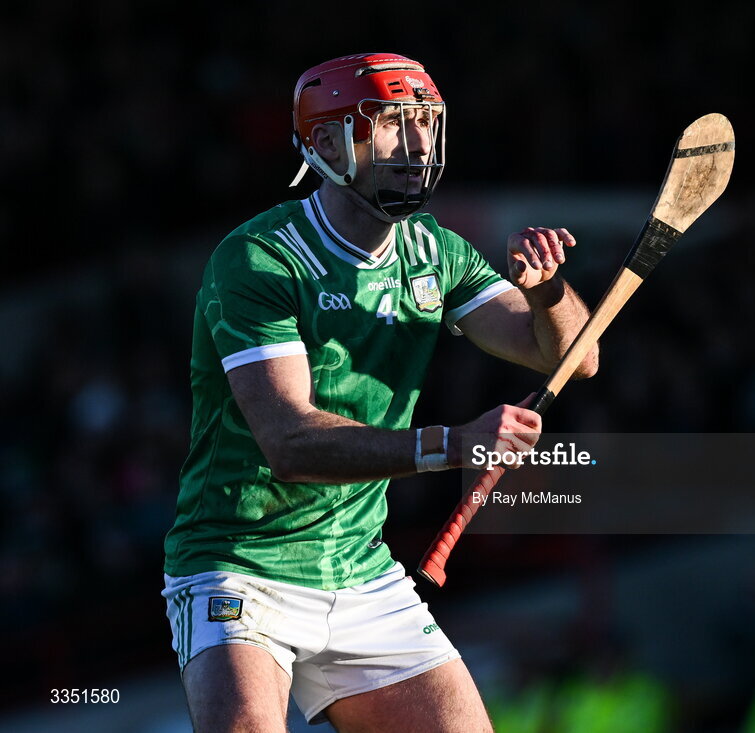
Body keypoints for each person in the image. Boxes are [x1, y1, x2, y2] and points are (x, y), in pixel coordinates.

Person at [161, 52, 598, 732]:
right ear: (327, 141)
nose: (418, 144)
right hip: (239, 567)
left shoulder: (435, 253)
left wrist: (547, 290)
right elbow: (291, 442)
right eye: (392, 124)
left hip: (360, 569)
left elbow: (575, 356)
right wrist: (453, 444)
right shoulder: (260, 259)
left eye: (426, 122)